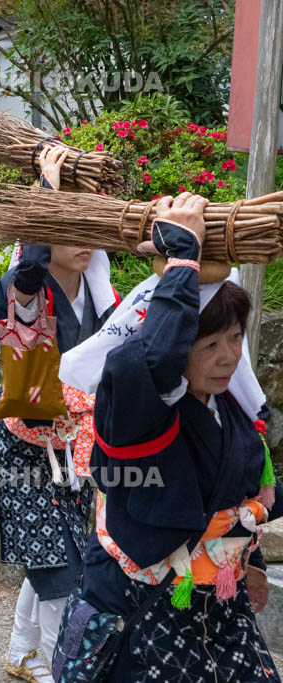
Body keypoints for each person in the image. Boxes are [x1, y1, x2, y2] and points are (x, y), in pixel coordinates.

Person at [53, 192, 282, 681]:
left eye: (236, 338)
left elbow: (242, 492)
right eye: (210, 343)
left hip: (217, 611)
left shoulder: (229, 406)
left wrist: (253, 553)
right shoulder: (138, 410)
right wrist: (182, 259)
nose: (228, 357)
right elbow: (153, 360)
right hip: (143, 615)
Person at [0, 147, 120, 683]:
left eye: (89, 226)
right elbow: (28, 265)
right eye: (71, 229)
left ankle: (21, 651)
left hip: (76, 450)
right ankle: (58, 667)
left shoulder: (100, 297)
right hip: (27, 450)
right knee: (59, 572)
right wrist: (47, 188)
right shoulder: (25, 290)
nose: (84, 239)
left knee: (60, 555)